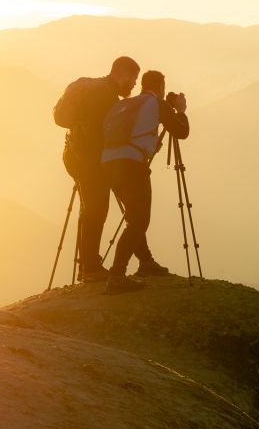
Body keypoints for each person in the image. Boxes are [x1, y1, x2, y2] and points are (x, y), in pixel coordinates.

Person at [101, 70, 189, 294]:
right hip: (132, 166)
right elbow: (181, 131)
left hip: (109, 164)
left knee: (134, 216)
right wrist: (180, 110)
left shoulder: (130, 104)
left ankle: (146, 263)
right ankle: (117, 275)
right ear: (160, 86)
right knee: (139, 220)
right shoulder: (157, 105)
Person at [53, 56, 140, 282]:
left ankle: (87, 265)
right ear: (123, 74)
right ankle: (91, 267)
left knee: (90, 208)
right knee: (97, 209)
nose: (134, 85)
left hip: (73, 154)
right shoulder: (106, 97)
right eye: (133, 79)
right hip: (88, 160)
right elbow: (102, 136)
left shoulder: (94, 87)